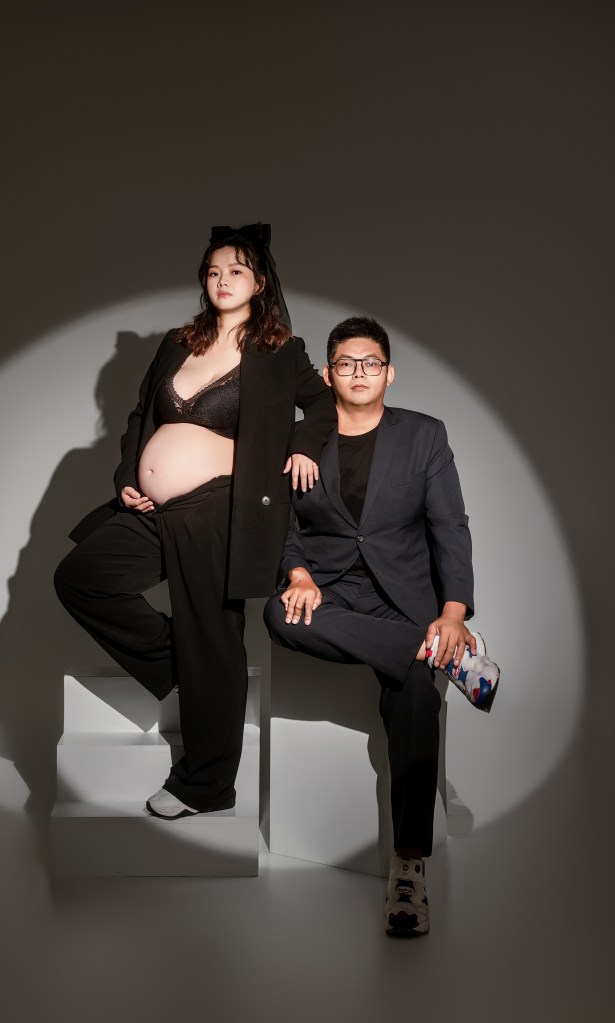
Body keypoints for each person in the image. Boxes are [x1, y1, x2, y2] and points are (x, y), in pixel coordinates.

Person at [54, 223, 336, 820]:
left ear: (260, 282)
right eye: (213, 271)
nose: (222, 280)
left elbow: (321, 406)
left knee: (211, 632)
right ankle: (187, 668)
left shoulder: (280, 351)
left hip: (220, 506)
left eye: (236, 270)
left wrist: (304, 448)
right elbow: (141, 415)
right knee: (82, 577)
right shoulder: (177, 343)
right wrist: (128, 474)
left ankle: (205, 786)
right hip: (154, 508)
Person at [263, 316, 500, 936]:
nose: (359, 373)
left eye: (371, 363)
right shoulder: (300, 439)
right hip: (330, 591)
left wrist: (453, 612)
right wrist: (298, 573)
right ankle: (432, 650)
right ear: (328, 375)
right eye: (346, 363)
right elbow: (280, 522)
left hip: (403, 595)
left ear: (389, 373)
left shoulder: (424, 435)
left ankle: (409, 864)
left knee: (416, 694)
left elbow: (450, 525)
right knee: (277, 614)